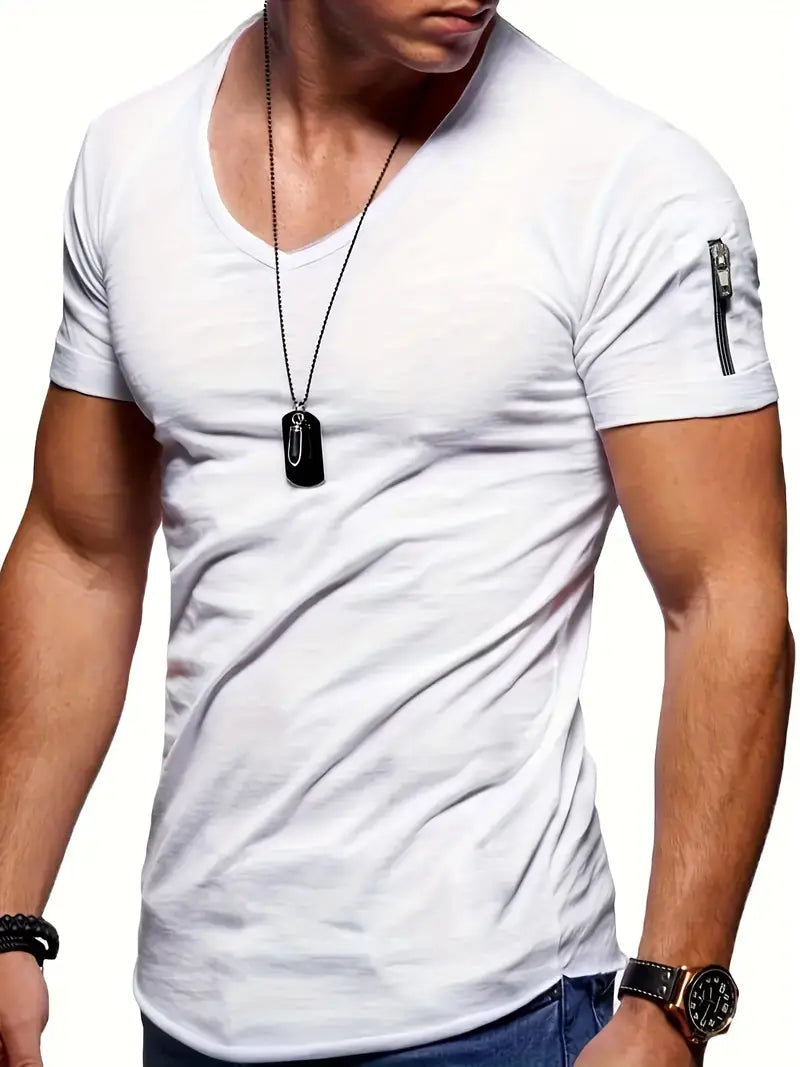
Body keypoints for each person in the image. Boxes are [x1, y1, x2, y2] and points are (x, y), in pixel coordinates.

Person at [0, 2, 793, 1065]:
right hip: (193, 1006)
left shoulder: (628, 182)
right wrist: (6, 910)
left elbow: (725, 594)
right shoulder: (129, 161)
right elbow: (77, 554)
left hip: (499, 1011)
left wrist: (672, 1002)